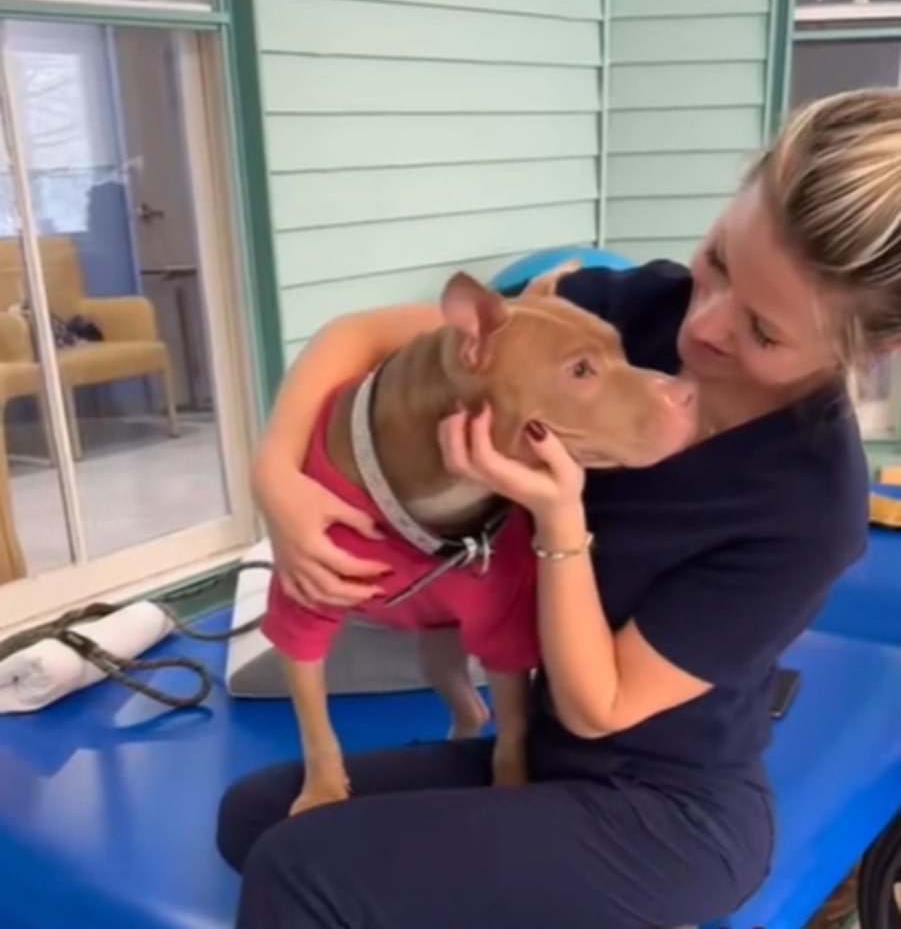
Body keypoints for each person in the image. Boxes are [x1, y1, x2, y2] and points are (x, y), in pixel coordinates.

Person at [217, 89, 900, 929]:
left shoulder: (807, 506)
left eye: (761, 332)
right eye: (718, 260)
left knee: (300, 871)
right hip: (544, 752)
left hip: (664, 811)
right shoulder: (640, 310)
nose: (704, 326)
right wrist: (276, 477)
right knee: (252, 818)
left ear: (868, 349)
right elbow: (361, 337)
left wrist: (558, 520)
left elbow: (599, 705)